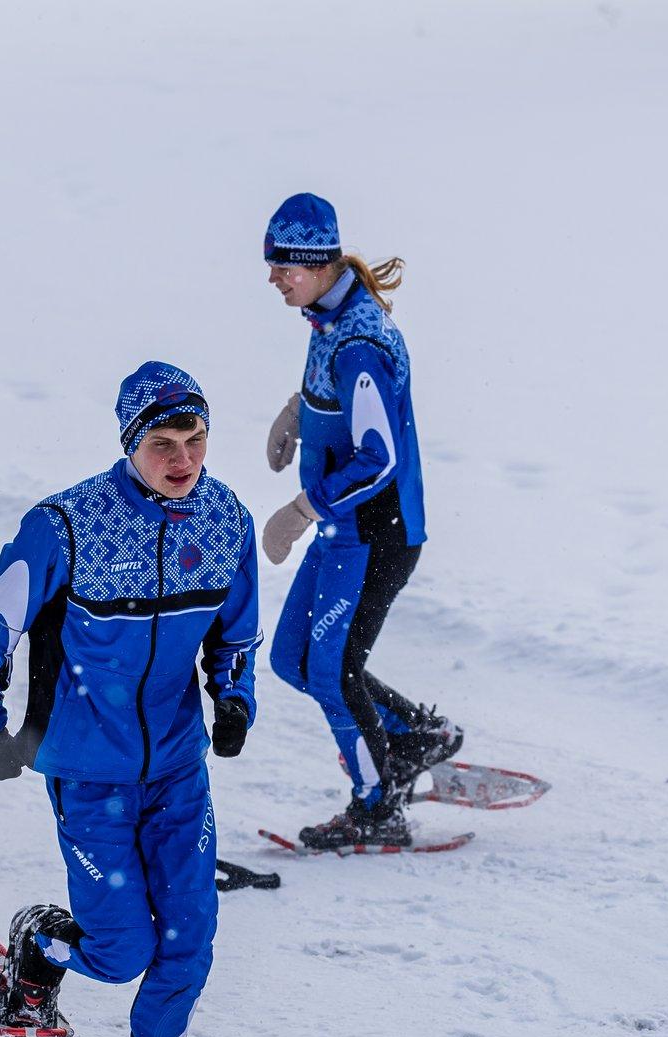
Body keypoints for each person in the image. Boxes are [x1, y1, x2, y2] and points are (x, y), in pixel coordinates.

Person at [0, 362, 257, 1037]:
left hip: (176, 771)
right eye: (163, 443)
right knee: (123, 949)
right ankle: (44, 943)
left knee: (190, 937)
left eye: (195, 439)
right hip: (89, 769)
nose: (184, 459)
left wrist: (234, 698)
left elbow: (236, 636)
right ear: (130, 444)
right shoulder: (68, 525)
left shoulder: (225, 521)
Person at [259, 192, 461, 850]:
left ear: (316, 263)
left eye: (282, 266)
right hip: (341, 530)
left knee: (332, 671)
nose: (273, 278)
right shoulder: (328, 315)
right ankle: (411, 735)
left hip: (376, 534)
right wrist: (298, 411)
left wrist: (298, 511)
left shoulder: (359, 344)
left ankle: (378, 807)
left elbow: (379, 458)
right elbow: (337, 391)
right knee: (293, 657)